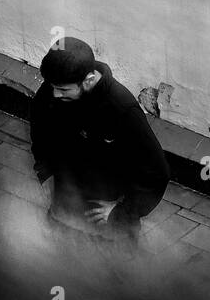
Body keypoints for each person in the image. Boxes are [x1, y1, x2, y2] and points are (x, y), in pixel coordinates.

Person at [30, 37, 169, 243]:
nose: (55, 95)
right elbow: (40, 130)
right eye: (53, 87)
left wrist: (122, 211)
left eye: (64, 90)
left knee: (114, 272)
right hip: (63, 209)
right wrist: (46, 171)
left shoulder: (122, 109)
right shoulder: (53, 90)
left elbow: (157, 172)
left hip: (108, 223)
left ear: (87, 81)